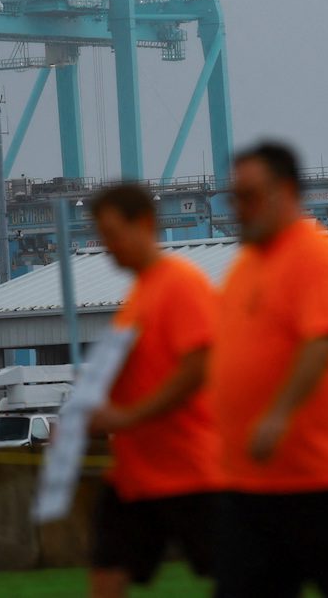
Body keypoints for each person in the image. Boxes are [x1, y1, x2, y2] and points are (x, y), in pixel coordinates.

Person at [207, 141, 328, 596]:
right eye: (234, 197)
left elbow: (323, 340)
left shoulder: (316, 256)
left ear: (285, 191)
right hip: (254, 482)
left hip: (323, 478)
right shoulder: (245, 267)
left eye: (249, 196)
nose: (239, 209)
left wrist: (278, 414)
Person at [85, 182, 222, 595]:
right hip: (135, 474)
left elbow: (200, 364)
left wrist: (129, 416)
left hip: (190, 471)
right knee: (107, 573)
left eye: (112, 233)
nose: (106, 246)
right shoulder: (139, 296)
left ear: (143, 223)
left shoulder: (180, 283)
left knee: (242, 578)